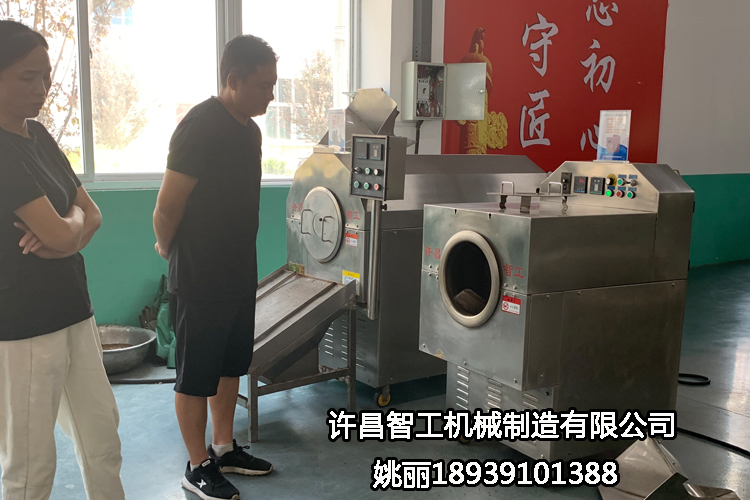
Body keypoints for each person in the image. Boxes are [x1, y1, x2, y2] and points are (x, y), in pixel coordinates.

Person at [0, 20, 125, 500]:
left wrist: (67, 231)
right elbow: (67, 228)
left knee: (102, 439)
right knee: (30, 468)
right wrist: (70, 230)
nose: (42, 88)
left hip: (74, 311)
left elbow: (91, 214)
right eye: (26, 77)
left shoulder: (39, 136)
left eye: (46, 76)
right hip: (25, 326)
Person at [153, 34, 276, 500]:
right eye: (263, 85)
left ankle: (223, 448)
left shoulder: (250, 131)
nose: (270, 95)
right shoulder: (199, 126)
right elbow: (167, 207)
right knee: (195, 375)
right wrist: (170, 250)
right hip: (199, 276)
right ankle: (197, 465)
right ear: (233, 80)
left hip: (238, 272)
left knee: (230, 365)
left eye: (273, 85)